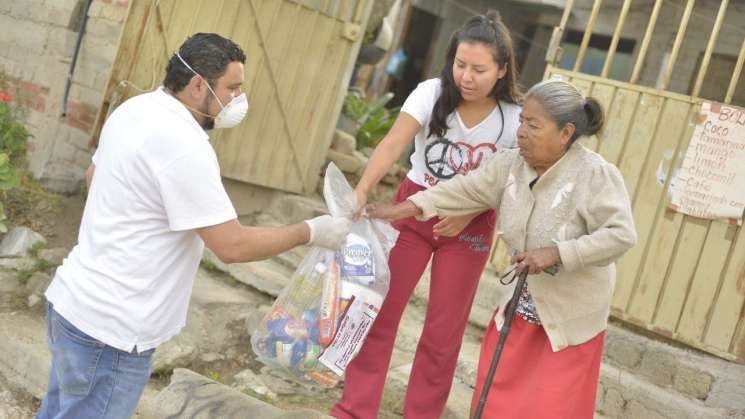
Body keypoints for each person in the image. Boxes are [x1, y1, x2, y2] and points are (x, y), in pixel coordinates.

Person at [36, 33, 351, 419]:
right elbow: (233, 246)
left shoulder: (135, 109)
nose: (238, 100)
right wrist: (312, 231)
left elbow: (93, 177)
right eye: (232, 88)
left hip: (73, 305)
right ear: (198, 84)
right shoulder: (185, 144)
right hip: (113, 332)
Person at [367, 79, 638, 418]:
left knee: (551, 407)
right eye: (522, 121)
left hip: (568, 321)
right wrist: (398, 209)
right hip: (518, 309)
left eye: (533, 125)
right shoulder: (509, 165)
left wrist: (557, 253)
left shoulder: (595, 174)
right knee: (496, 400)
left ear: (566, 132)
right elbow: (461, 191)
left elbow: (620, 234)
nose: (521, 132)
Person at [332, 11, 521, 419]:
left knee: (442, 334)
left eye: (479, 69)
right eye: (460, 65)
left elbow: (508, 183)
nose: (466, 77)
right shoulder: (430, 93)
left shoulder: (514, 119)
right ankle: (354, 409)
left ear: (502, 71)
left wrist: (467, 211)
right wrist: (363, 188)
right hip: (411, 210)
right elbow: (391, 143)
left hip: (471, 225)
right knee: (378, 312)